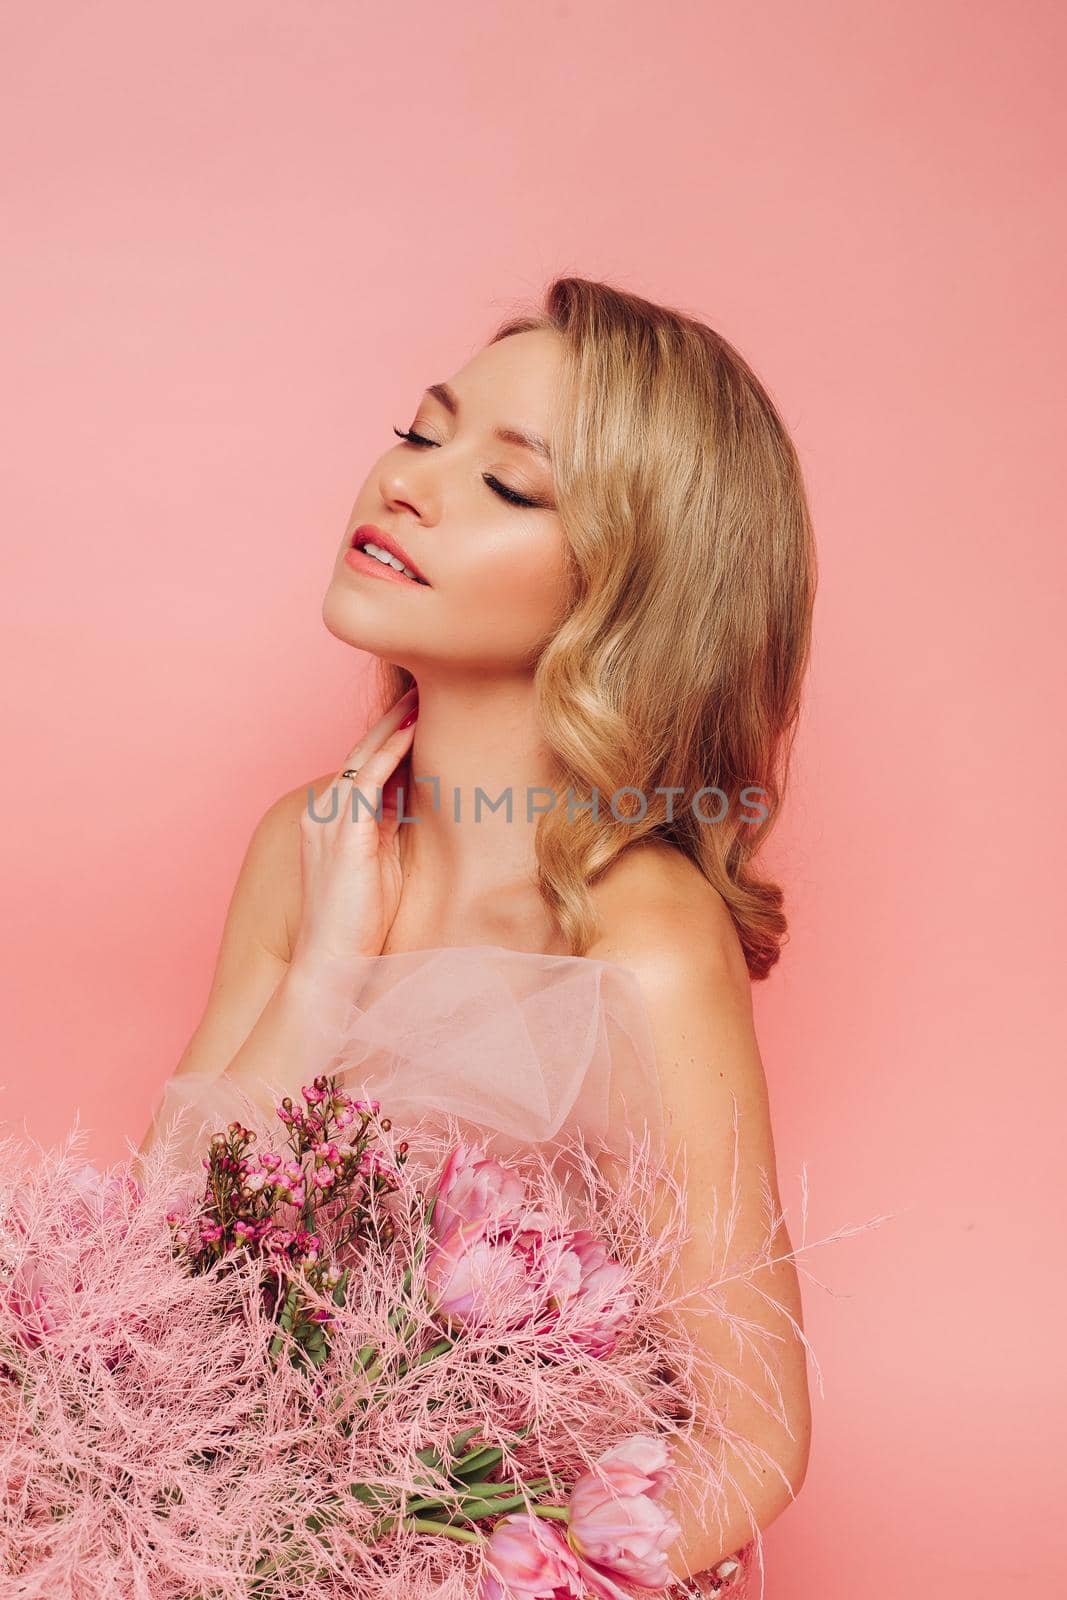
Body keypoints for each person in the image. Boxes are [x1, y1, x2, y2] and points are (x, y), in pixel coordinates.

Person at [140, 276, 818, 1593]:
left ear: (630, 596)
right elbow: (156, 1255)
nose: (406, 485)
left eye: (510, 486)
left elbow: (756, 1436)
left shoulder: (643, 937)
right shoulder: (306, 846)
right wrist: (324, 978)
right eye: (418, 431)